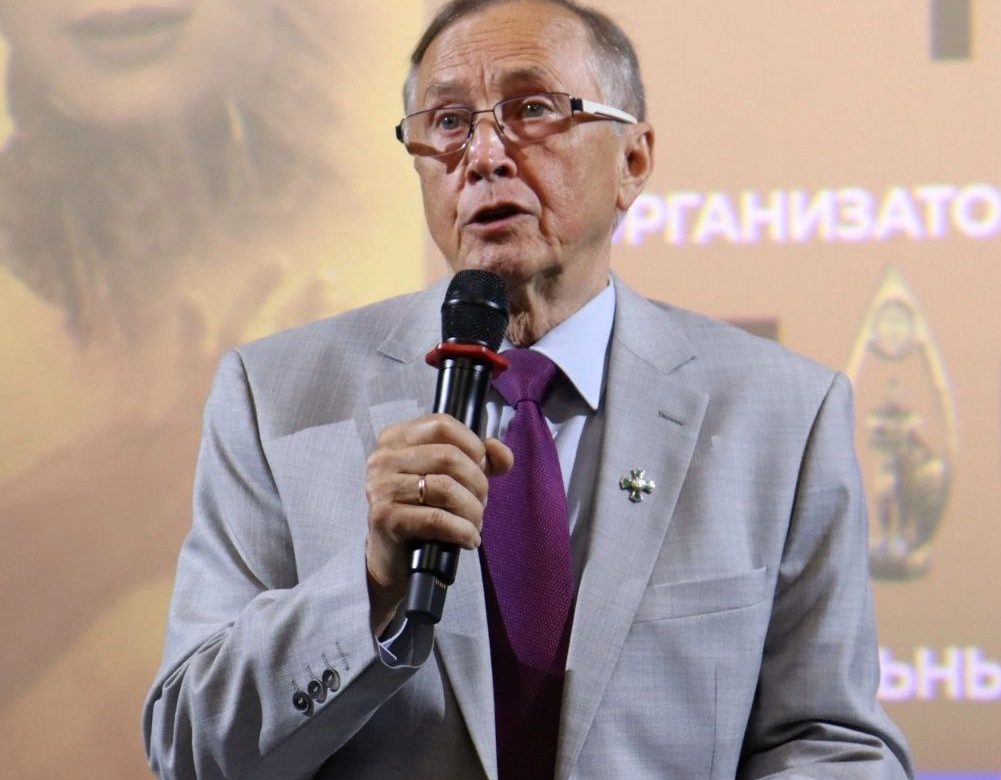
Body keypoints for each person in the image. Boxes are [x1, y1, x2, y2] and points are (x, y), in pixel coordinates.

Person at [143, 0, 914, 777]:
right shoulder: (275, 397)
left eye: (533, 110)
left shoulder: (783, 414)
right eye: (448, 122)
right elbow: (190, 750)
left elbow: (832, 745)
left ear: (633, 160)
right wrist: (369, 583)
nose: (483, 155)